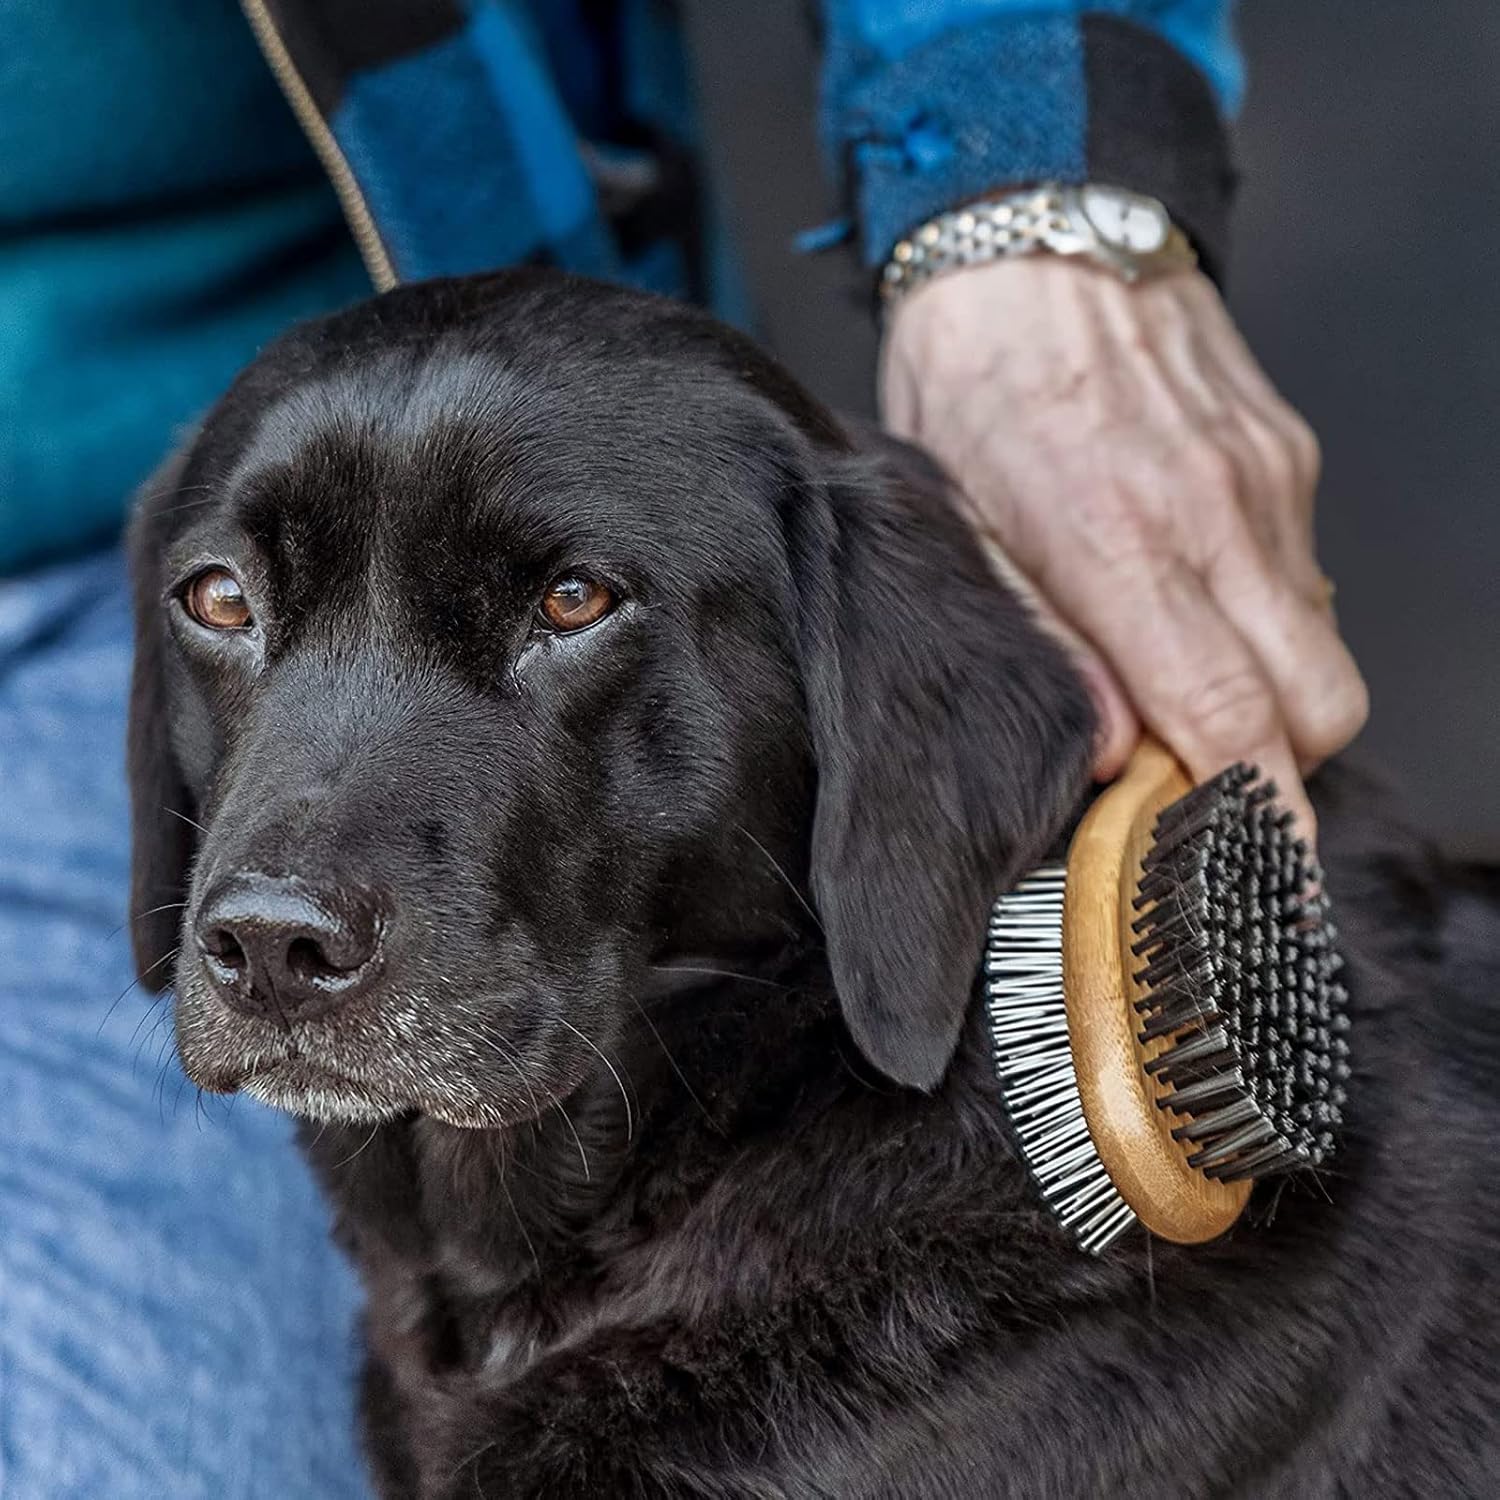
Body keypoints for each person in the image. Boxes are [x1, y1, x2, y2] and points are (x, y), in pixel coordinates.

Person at [0, 2, 1366, 1493]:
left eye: (565, 601)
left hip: (290, 288)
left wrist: (1029, 177)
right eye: (226, 602)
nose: (274, 911)